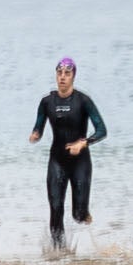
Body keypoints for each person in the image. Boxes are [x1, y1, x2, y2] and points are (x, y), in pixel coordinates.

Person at [29, 58, 106, 245]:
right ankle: (59, 252)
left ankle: (84, 213)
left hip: (80, 162)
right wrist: (36, 134)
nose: (62, 77)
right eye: (59, 73)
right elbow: (39, 126)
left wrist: (84, 143)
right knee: (56, 208)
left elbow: (102, 130)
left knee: (78, 215)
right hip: (57, 160)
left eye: (67, 74)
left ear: (73, 76)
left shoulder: (83, 101)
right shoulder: (47, 102)